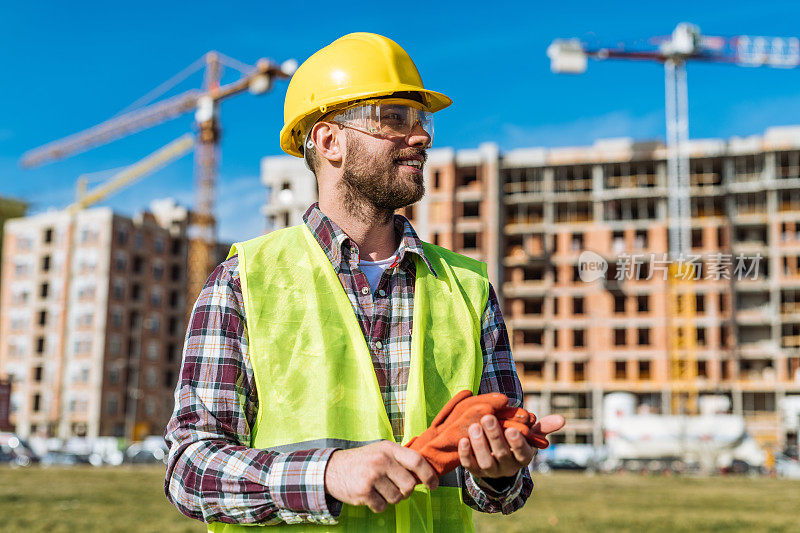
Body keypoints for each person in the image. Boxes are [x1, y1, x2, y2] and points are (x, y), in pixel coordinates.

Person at [164, 32, 565, 532]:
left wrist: (499, 473)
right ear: (329, 140)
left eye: (423, 121)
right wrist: (327, 473)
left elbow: (505, 492)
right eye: (394, 118)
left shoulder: (468, 287)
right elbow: (189, 470)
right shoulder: (242, 282)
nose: (421, 137)